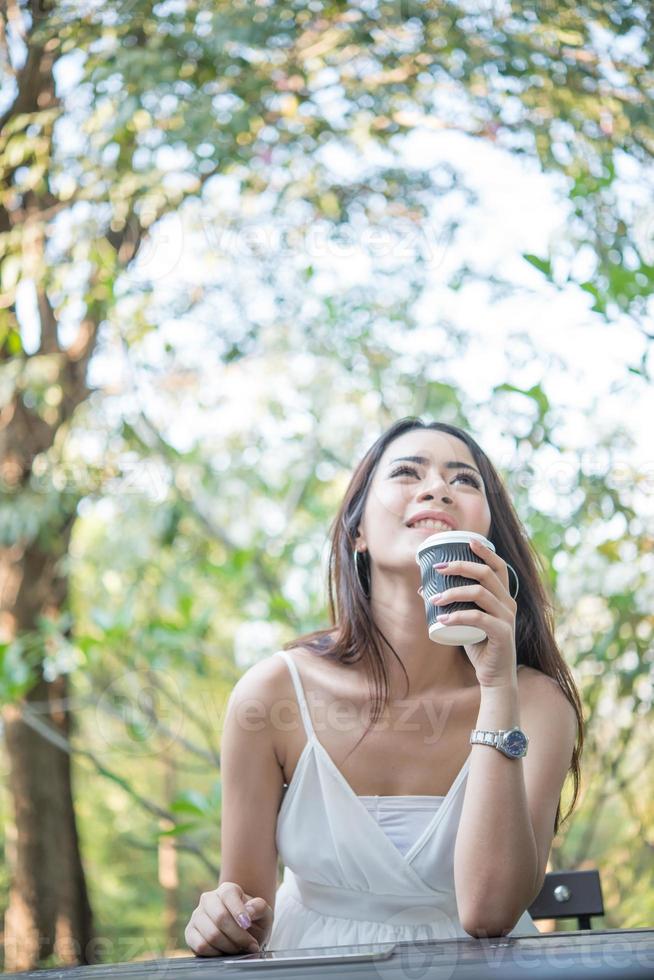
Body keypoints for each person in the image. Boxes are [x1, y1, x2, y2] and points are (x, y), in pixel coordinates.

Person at [184, 417, 583, 956]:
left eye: (464, 480)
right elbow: (247, 915)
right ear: (358, 532)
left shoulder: (535, 702)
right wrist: (219, 920)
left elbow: (490, 913)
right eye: (406, 472)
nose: (439, 486)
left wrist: (496, 687)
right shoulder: (274, 693)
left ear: (486, 534)